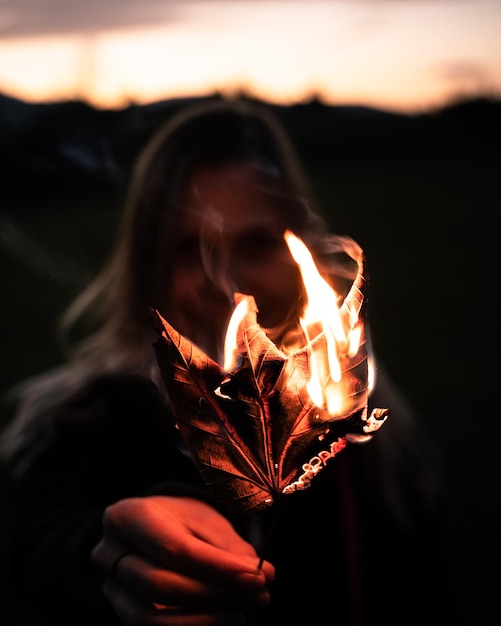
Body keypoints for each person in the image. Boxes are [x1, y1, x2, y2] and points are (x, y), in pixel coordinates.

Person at [0, 97, 456, 626]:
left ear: (301, 252)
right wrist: (114, 555)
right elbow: (39, 551)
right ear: (148, 268)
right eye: (192, 248)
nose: (230, 286)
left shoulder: (374, 457)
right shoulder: (84, 423)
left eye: (257, 243)